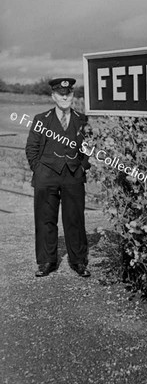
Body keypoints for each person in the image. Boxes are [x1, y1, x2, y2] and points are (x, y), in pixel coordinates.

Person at [25, 77, 91, 277]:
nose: (64, 97)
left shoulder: (82, 119)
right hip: (46, 176)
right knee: (45, 219)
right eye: (60, 94)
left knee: (75, 219)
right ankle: (46, 262)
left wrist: (82, 167)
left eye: (68, 94)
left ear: (72, 95)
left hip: (73, 176)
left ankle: (79, 262)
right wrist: (38, 169)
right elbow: (31, 147)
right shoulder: (41, 119)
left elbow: (88, 148)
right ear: (53, 96)